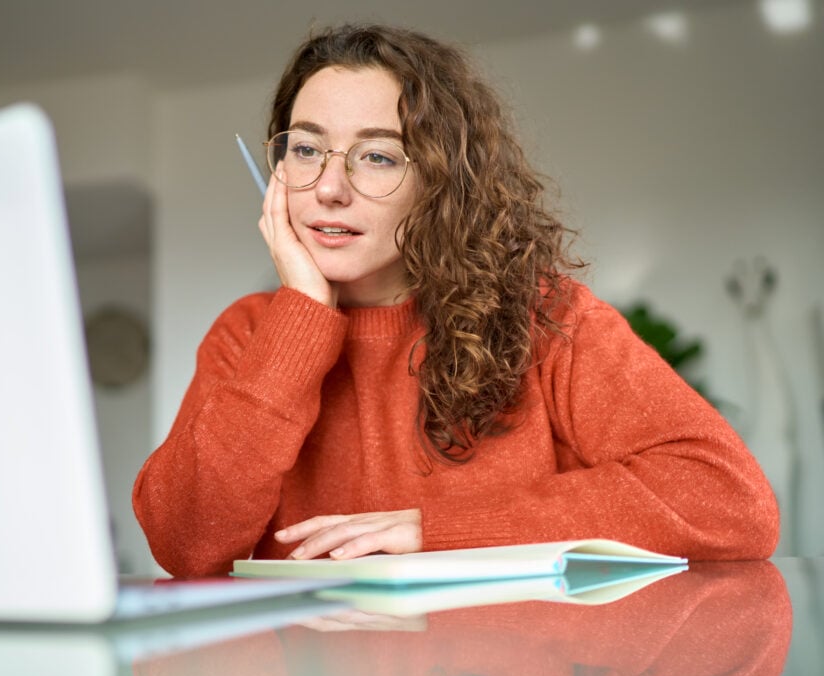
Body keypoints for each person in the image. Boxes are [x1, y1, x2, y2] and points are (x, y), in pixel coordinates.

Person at [133, 24, 779, 577]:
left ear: (440, 183)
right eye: (305, 149)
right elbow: (185, 543)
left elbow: (729, 498)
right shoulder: (250, 334)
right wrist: (303, 312)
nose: (329, 186)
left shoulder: (546, 317)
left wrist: (437, 531)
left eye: (377, 157)